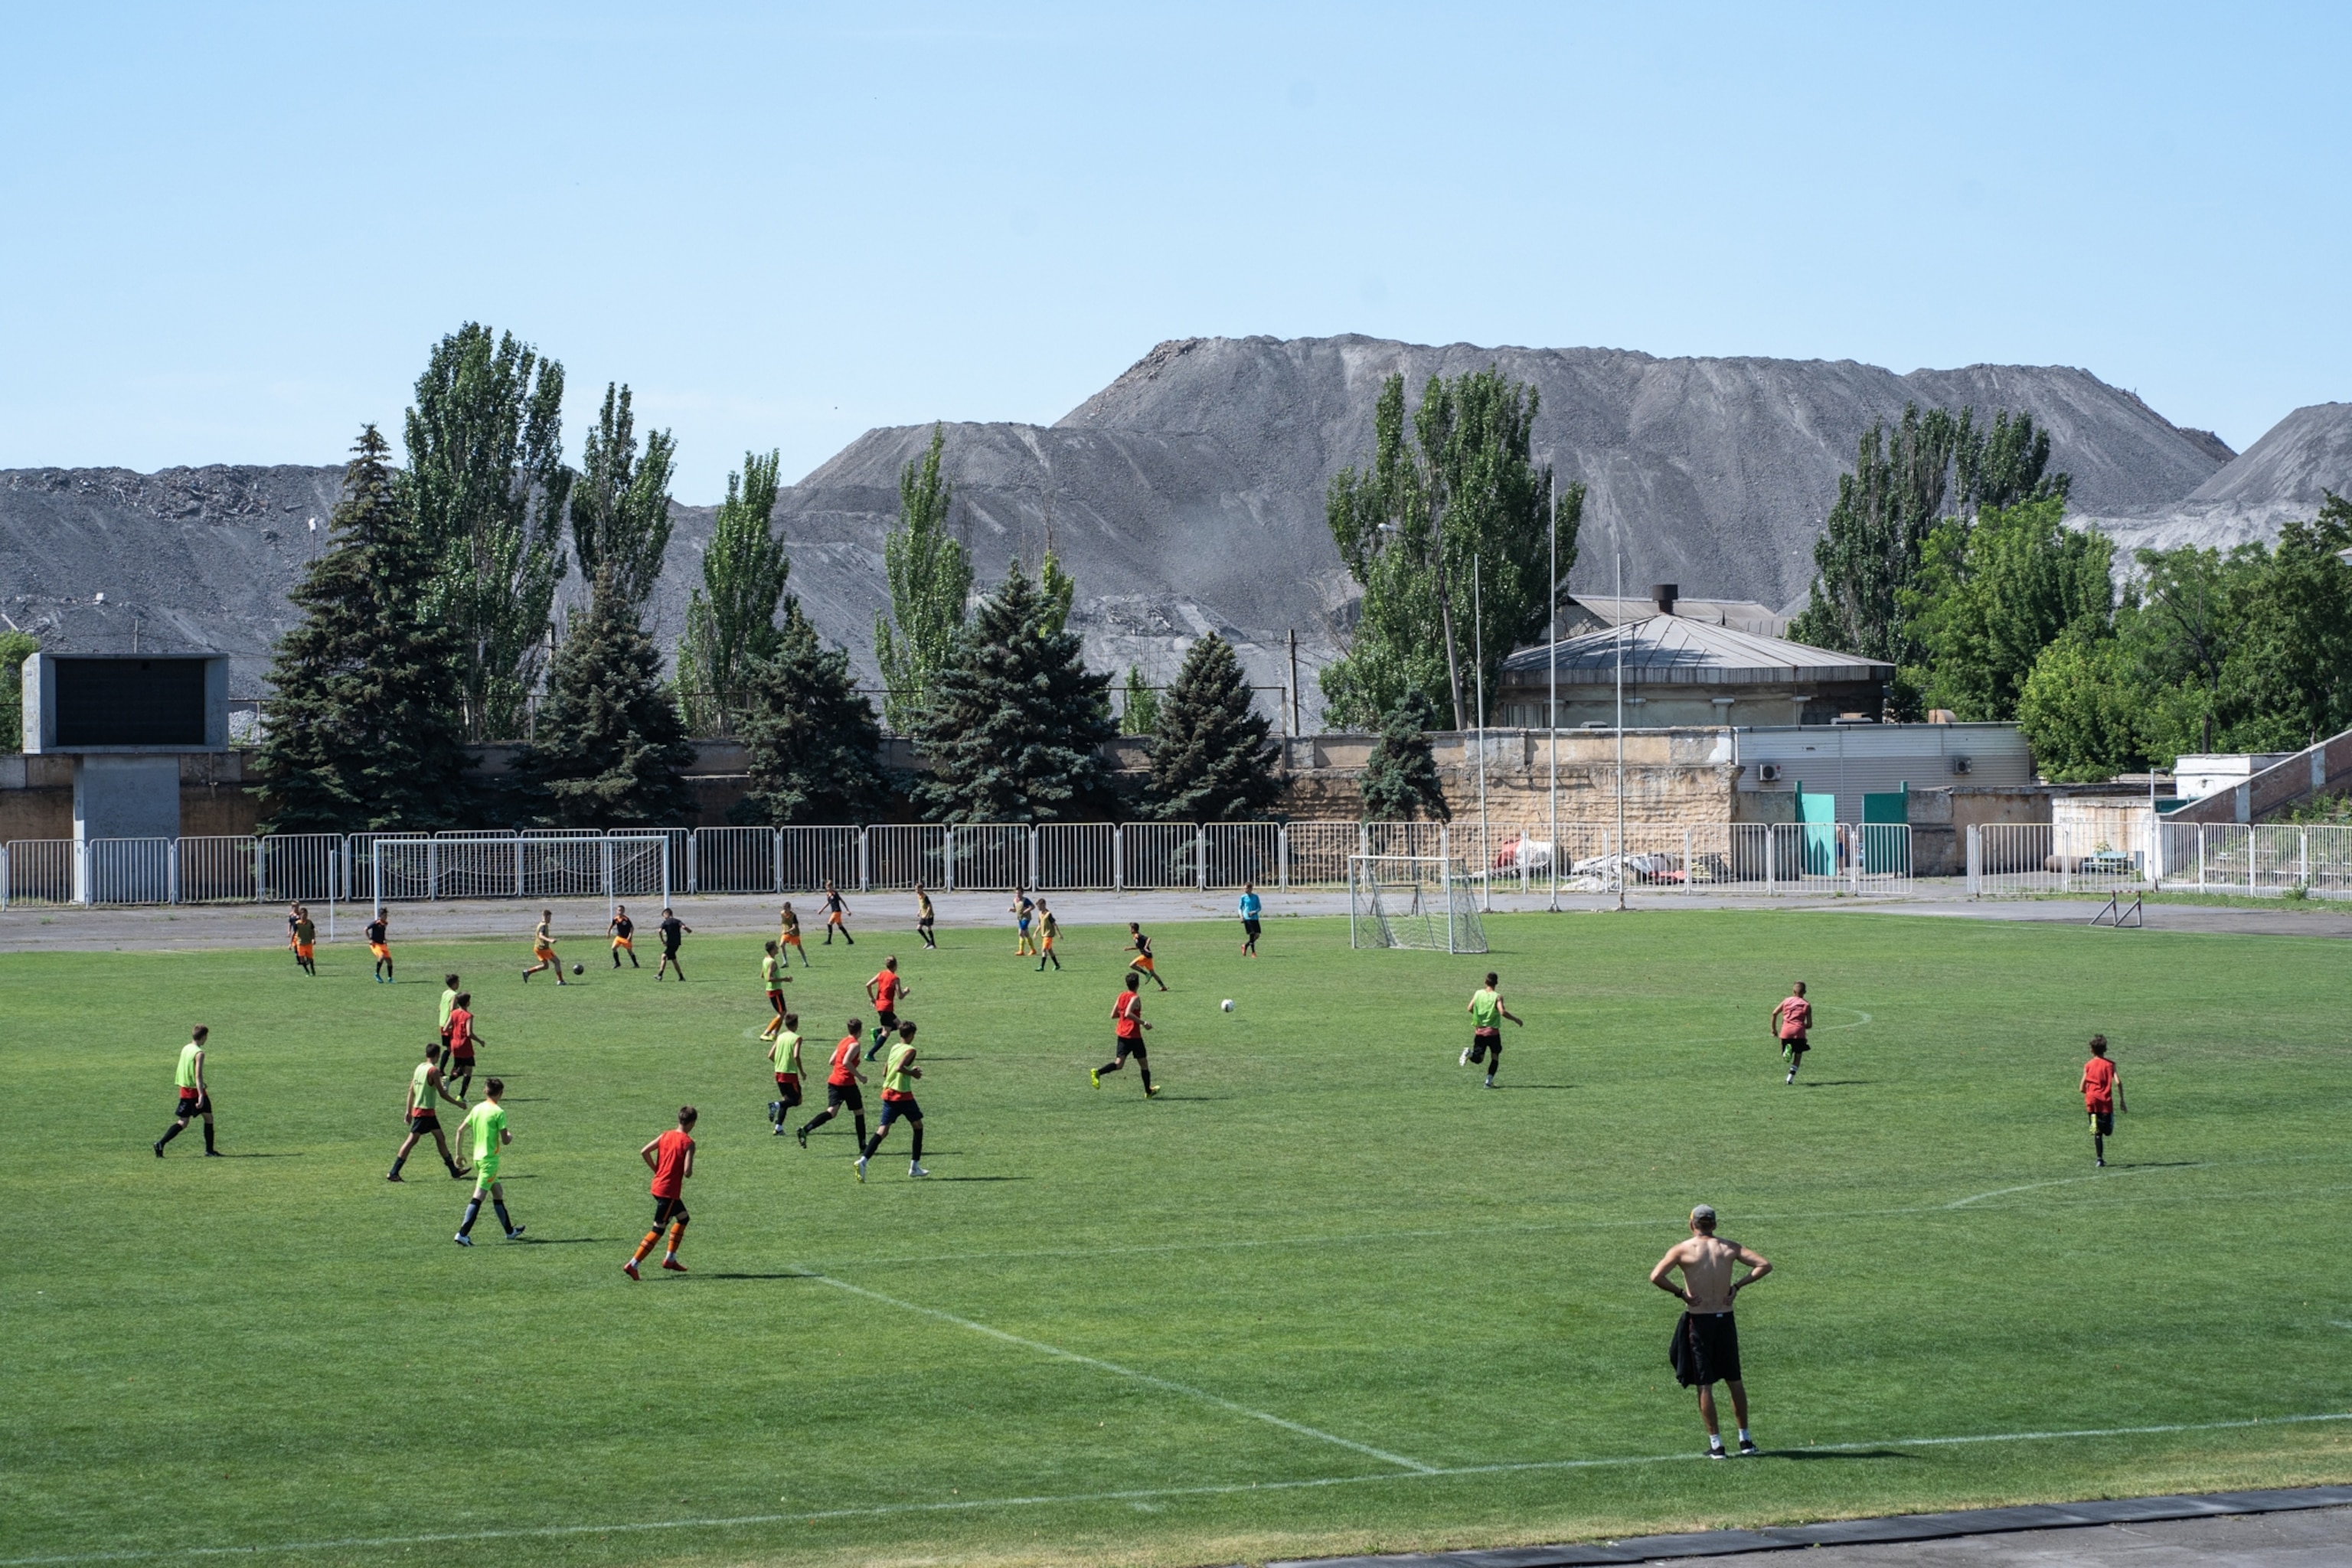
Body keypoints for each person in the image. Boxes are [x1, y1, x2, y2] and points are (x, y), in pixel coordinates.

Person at [1650, 1204, 1772, 1459]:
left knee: (1704, 1384)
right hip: (1725, 1319)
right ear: (1714, 1225)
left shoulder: (1682, 1249)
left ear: (1692, 1224)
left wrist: (1681, 1294)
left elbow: (1656, 1276)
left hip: (1700, 1321)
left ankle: (1716, 1445)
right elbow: (1764, 1265)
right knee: (1734, 1380)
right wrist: (1737, 1286)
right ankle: (1746, 1441)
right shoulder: (1729, 1248)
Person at [625, 1106, 697, 1278]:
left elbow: (645, 1151)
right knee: (658, 1228)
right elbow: (687, 1172)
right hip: (668, 1191)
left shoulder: (666, 1135)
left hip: (657, 1186)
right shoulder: (688, 1143)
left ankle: (670, 1259)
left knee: (683, 1217)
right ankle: (633, 1264)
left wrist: (656, 1169)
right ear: (693, 1123)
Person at [453, 1078, 524, 1244]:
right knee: (479, 1196)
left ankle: (510, 1231)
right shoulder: (499, 1112)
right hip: (489, 1161)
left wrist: (458, 1154)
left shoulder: (477, 1109)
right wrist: (511, 1136)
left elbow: (460, 1130)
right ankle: (462, 1234)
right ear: (501, 1093)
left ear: (485, 1091)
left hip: (478, 1158)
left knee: (498, 1192)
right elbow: (505, 1140)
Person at [857, 1022, 929, 1181]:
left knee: (883, 1130)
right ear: (910, 1035)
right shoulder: (911, 1050)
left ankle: (863, 1160)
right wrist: (913, 1074)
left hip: (888, 1093)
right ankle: (914, 1166)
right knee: (918, 1127)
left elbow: (885, 1071)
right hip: (902, 1094)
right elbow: (898, 1068)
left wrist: (905, 1071)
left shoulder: (894, 1047)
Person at [388, 1043, 468, 1181]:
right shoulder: (433, 1071)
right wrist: (459, 1104)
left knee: (440, 1138)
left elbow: (410, 1090)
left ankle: (454, 1171)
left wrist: (408, 1111)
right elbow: (442, 1094)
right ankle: (393, 1172)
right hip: (425, 1112)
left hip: (424, 1111)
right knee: (412, 1140)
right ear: (437, 1056)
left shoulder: (419, 1067)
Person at [795, 1018, 871, 1150]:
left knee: (832, 1112)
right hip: (846, 1082)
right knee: (859, 1112)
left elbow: (831, 1061)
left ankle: (806, 1129)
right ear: (860, 1031)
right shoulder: (855, 1044)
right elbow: (846, 1062)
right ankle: (863, 1145)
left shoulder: (843, 1042)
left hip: (834, 1081)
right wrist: (860, 1077)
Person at [154, 1026, 220, 1157]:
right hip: (195, 1091)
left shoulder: (186, 1048)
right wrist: (201, 1095)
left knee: (183, 1122)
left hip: (184, 1089)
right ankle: (209, 1150)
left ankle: (160, 1144)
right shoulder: (199, 1053)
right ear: (203, 1037)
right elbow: (198, 1075)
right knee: (208, 1118)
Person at [1092, 972, 1161, 1096]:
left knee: (1119, 1064)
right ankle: (1148, 1091)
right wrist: (1144, 1023)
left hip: (1122, 1034)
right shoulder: (1135, 997)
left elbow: (1113, 1015)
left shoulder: (1121, 995)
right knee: (1144, 1063)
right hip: (1133, 1036)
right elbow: (1128, 1013)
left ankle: (1098, 1072)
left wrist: (1124, 1014)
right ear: (1138, 984)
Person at [1461, 972, 1524, 1087]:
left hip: (1480, 1032)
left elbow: (1469, 1008)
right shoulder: (1497, 996)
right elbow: (1502, 1012)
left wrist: (1480, 1017)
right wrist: (1516, 1019)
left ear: (1485, 982)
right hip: (1493, 1033)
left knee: (1478, 1059)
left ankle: (1470, 1054)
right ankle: (1488, 1082)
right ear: (1496, 983)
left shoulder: (1478, 993)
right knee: (1495, 1056)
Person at [2082, 1034, 2122, 1167]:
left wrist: (2088, 1091)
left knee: (2096, 1132)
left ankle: (2099, 1159)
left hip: (2091, 1101)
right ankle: (2099, 1158)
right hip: (2104, 1101)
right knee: (2108, 1131)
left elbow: (2081, 1087)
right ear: (2105, 1049)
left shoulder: (2088, 1065)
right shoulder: (2110, 1065)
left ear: (2092, 1050)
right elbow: (2118, 1082)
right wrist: (2122, 1100)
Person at [767, 1012, 804, 1135]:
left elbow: (770, 1055)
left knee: (786, 1100)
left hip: (778, 1073)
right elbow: (796, 1055)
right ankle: (775, 1105)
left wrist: (779, 1064)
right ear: (796, 1024)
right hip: (790, 1074)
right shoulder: (797, 1038)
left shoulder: (780, 1036)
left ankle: (778, 1128)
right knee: (797, 1100)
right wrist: (802, 1072)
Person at [864, 957, 908, 1060]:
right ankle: (870, 1054)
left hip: (880, 1005)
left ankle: (876, 1032)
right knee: (886, 1032)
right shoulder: (895, 978)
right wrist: (906, 991)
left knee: (899, 1025)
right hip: (886, 1007)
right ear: (895, 966)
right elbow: (900, 996)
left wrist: (872, 998)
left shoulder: (881, 974)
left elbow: (868, 985)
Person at [1773, 982, 1813, 1085]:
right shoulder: (1807, 1005)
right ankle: (1789, 1079)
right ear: (1805, 992)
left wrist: (1774, 1029)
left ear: (1793, 991)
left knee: (1785, 1053)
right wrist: (1801, 1026)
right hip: (1799, 1033)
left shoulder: (1786, 1001)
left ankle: (1786, 1052)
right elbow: (1809, 1024)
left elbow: (1774, 1013)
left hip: (1786, 1031)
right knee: (1798, 1056)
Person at [445, 992, 479, 1102]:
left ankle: (448, 1079)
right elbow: (469, 1033)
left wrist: (455, 1032)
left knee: (461, 1068)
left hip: (454, 1045)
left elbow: (446, 1028)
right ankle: (461, 1096)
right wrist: (480, 1041)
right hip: (465, 1046)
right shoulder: (468, 1016)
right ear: (467, 1003)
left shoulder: (454, 1013)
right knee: (468, 1071)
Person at [759, 942, 792, 1041]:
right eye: (776, 947)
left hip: (772, 990)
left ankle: (774, 1034)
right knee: (782, 1013)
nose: (778, 948)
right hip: (775, 990)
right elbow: (769, 978)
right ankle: (767, 1033)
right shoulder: (772, 962)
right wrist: (784, 979)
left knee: (783, 1012)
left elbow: (762, 975)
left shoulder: (766, 960)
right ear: (773, 950)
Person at [522, 910, 567, 984]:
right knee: (557, 962)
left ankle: (528, 972)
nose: (550, 920)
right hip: (543, 949)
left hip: (538, 948)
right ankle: (560, 981)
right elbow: (540, 935)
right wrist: (550, 940)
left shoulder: (540, 924)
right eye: (549, 917)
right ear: (546, 917)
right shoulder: (543, 926)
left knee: (545, 966)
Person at [1125, 923, 1167, 991]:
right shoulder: (1135, 937)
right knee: (1153, 973)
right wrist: (1129, 948)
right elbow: (1138, 947)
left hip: (1145, 956)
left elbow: (1149, 939)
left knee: (1132, 965)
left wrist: (1146, 946)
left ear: (1133, 929)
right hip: (1149, 956)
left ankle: (1146, 974)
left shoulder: (1138, 935)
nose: (1129, 930)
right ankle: (1163, 987)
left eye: (1130, 928)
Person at [655, 907, 691, 981]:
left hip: (670, 943)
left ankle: (660, 975)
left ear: (666, 914)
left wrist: (662, 940)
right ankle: (681, 977)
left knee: (663, 956)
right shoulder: (677, 921)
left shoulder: (666, 922)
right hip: (677, 943)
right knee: (674, 960)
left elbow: (659, 931)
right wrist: (689, 930)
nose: (664, 918)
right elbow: (684, 927)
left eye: (664, 916)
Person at [437, 975, 462, 1070]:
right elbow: (452, 1009)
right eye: (458, 982)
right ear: (454, 984)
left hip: (442, 1023)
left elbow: (440, 1008)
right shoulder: (454, 995)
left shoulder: (445, 993)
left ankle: (441, 1069)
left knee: (448, 1048)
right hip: (450, 1025)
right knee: (456, 1046)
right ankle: (456, 1068)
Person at [821, 880, 854, 945]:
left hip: (837, 911)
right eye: (827, 887)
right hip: (834, 911)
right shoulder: (828, 894)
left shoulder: (835, 893)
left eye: (829, 887)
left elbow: (842, 901)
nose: (827, 889)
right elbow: (828, 902)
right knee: (840, 926)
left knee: (829, 924)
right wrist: (821, 910)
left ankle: (829, 941)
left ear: (832, 887)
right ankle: (850, 940)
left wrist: (847, 910)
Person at [366, 910, 394, 982]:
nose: (386, 917)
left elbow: (383, 932)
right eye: (384, 916)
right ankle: (377, 974)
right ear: (380, 916)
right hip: (375, 944)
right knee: (381, 956)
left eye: (386, 915)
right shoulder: (376, 923)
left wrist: (384, 939)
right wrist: (370, 939)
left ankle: (390, 979)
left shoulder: (385, 923)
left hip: (382, 944)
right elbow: (365, 929)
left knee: (389, 961)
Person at [608, 905, 639, 969]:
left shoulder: (626, 919)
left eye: (622, 910)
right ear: (617, 911)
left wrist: (630, 936)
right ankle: (617, 963)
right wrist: (608, 932)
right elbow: (611, 925)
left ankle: (636, 964)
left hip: (626, 938)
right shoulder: (615, 918)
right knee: (613, 948)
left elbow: (632, 928)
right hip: (619, 937)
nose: (620, 912)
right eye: (619, 910)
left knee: (629, 951)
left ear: (624, 911)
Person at [1237, 882, 1263, 957]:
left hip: (1255, 918)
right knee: (1252, 934)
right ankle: (1253, 952)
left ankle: (1245, 946)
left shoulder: (1255, 897)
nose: (1245, 890)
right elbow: (1240, 907)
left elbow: (1259, 907)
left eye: (1246, 888)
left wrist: (1254, 911)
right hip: (1247, 918)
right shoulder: (1243, 897)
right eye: (1244, 888)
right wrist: (1241, 916)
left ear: (1251, 889)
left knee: (1257, 935)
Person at [291, 906, 318, 978]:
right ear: (300, 915)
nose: (305, 917)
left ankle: (312, 969)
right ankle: (307, 971)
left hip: (308, 943)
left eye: (306, 915)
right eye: (304, 915)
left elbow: (312, 931)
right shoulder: (297, 924)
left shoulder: (310, 923)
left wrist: (313, 939)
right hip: (300, 943)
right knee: (302, 958)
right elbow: (294, 934)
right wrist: (290, 944)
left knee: (310, 958)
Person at [778, 902, 807, 967]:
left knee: (799, 947)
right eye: (784, 908)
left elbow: (795, 927)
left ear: (789, 908)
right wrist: (785, 930)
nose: (785, 910)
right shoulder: (782, 913)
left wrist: (788, 931)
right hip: (785, 932)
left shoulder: (793, 916)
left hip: (794, 933)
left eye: (786, 908)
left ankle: (805, 962)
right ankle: (785, 962)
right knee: (782, 945)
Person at [1034, 900, 1060, 972]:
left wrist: (1059, 934)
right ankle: (1057, 965)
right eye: (1038, 906)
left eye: (1039, 906)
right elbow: (1040, 925)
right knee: (1050, 950)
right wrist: (1035, 933)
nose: (1038, 908)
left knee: (1044, 949)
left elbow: (1054, 924)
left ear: (1044, 905)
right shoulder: (1039, 914)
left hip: (1048, 935)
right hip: (1044, 935)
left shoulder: (1049, 914)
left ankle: (1041, 967)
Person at [1010, 890, 1036, 957]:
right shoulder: (1015, 900)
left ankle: (1021, 951)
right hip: (1020, 918)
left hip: (1026, 918)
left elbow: (1033, 906)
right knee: (1026, 934)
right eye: (1016, 893)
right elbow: (1015, 910)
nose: (1018, 894)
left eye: (1019, 893)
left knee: (1021, 933)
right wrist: (1011, 909)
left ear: (1022, 893)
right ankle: (1033, 950)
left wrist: (1027, 910)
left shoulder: (1025, 900)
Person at [915, 883, 936, 950]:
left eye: (918, 889)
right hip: (923, 915)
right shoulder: (919, 896)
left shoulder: (925, 897)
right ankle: (928, 942)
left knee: (929, 929)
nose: (916, 891)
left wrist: (926, 915)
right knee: (918, 928)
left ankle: (933, 944)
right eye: (916, 889)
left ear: (921, 889)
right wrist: (919, 911)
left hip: (928, 915)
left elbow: (929, 906)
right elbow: (922, 906)